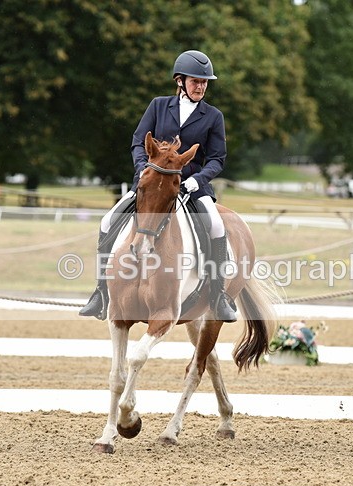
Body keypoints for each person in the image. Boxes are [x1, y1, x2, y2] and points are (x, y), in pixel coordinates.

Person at [79, 50, 237, 322]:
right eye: (195, 81)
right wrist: (143, 170)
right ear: (180, 81)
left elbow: (217, 159)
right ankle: (101, 291)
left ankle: (218, 294)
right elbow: (139, 141)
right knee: (107, 221)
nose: (200, 86)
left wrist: (195, 180)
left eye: (204, 82)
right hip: (151, 185)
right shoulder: (158, 106)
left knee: (217, 225)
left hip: (191, 186)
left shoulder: (213, 116)